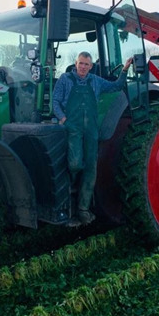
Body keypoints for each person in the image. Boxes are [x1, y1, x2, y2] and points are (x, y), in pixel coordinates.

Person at [52, 51, 133, 226]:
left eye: (86, 64)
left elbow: (117, 86)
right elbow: (55, 101)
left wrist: (125, 69)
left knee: (91, 169)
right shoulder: (65, 79)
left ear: (90, 67)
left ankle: (83, 209)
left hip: (91, 130)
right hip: (73, 128)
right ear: (76, 64)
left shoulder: (96, 81)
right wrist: (63, 119)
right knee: (75, 164)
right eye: (80, 63)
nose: (83, 67)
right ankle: (70, 192)